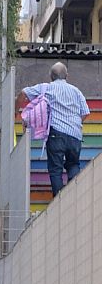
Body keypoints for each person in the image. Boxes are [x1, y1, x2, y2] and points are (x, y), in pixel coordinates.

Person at [23, 62, 90, 197]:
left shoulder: (46, 88)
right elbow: (86, 112)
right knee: (73, 165)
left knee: (55, 169)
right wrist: (75, 124)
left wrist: (15, 111)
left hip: (56, 135)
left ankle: (59, 200)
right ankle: (73, 195)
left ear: (51, 76)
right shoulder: (76, 91)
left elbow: (23, 93)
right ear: (67, 75)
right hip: (75, 135)